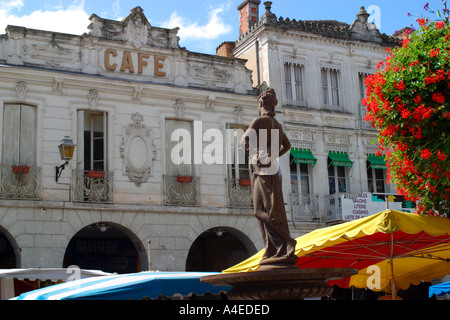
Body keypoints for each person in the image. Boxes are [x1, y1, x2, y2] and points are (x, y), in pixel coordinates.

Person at [241, 88, 297, 268]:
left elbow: (244, 142)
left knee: (260, 211)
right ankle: (272, 249)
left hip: (262, 170)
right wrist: (273, 155)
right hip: (271, 169)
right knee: (268, 209)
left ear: (261, 104)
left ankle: (286, 241)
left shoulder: (259, 121)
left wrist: (257, 154)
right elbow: (287, 146)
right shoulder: (277, 125)